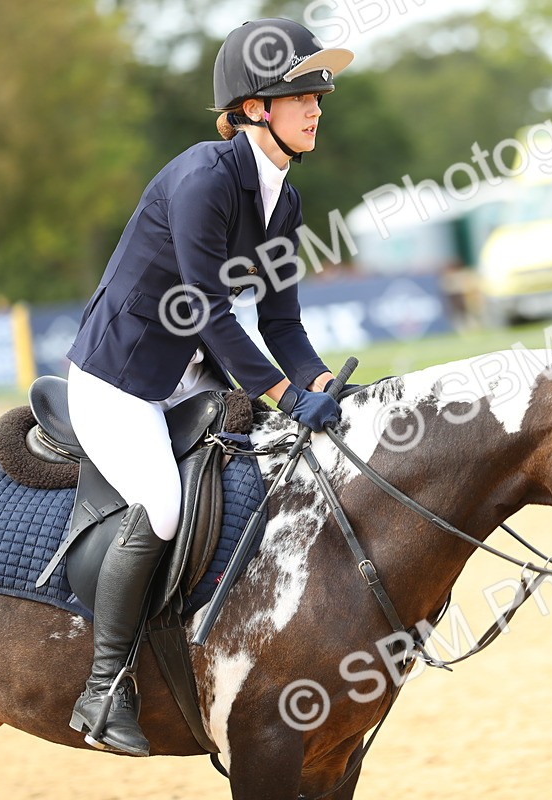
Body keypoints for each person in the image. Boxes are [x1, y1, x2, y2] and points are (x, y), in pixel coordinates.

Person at [63, 18, 354, 756]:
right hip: (119, 378)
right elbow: (208, 311)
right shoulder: (202, 178)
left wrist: (324, 387)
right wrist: (286, 398)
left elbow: (283, 327)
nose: (318, 104)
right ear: (256, 106)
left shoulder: (283, 203)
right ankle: (102, 691)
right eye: (302, 93)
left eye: (320, 90)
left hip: (188, 377)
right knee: (162, 505)